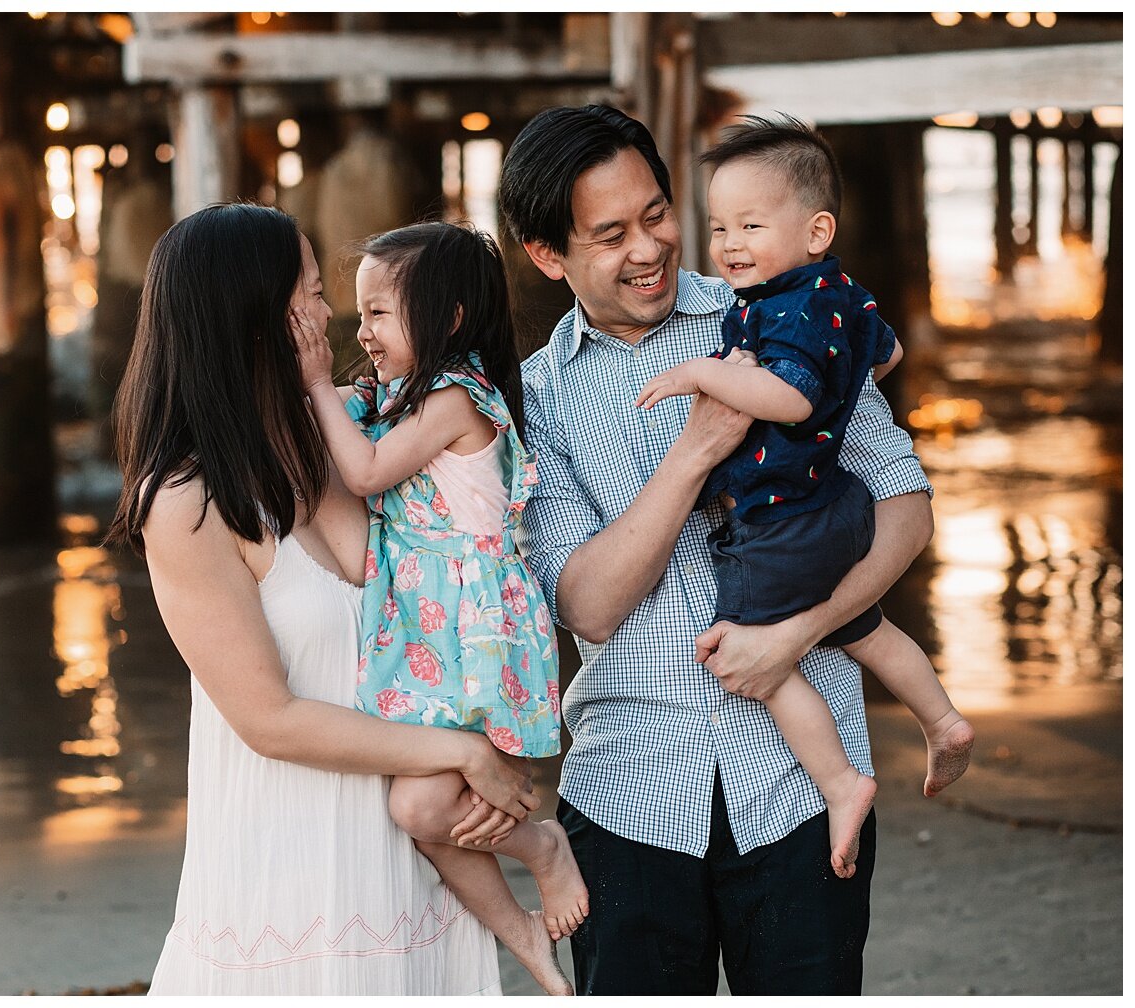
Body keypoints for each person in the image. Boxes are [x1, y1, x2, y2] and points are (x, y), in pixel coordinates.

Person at [498, 103, 936, 995]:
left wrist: (798, 632)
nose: (651, 247)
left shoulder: (777, 311)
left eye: (657, 214)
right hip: (629, 794)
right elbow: (587, 604)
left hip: (804, 787)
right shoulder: (533, 400)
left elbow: (905, 506)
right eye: (610, 234)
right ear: (549, 256)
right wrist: (699, 446)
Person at [105, 202, 538, 995]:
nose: (331, 312)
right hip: (289, 868)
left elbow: (395, 571)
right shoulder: (185, 502)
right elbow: (270, 720)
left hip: (406, 854)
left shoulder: (334, 435)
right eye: (309, 292)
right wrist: (464, 753)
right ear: (257, 317)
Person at [633, 114, 975, 879]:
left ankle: (838, 778)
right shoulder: (838, 293)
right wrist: (839, 393)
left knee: (742, 652)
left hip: (782, 522)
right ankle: (942, 718)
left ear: (816, 230)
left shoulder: (786, 310)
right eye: (719, 226)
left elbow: (785, 397)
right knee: (865, 628)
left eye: (752, 224)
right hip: (835, 508)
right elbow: (884, 353)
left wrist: (701, 372)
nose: (729, 245)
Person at [292, 221, 588, 995]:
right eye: (358, 316)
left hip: (473, 633)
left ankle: (543, 848)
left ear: (449, 318)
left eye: (379, 315)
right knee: (422, 809)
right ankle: (520, 929)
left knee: (424, 804)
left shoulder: (457, 398)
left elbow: (361, 472)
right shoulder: (408, 395)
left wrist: (320, 384)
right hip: (424, 628)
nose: (362, 334)